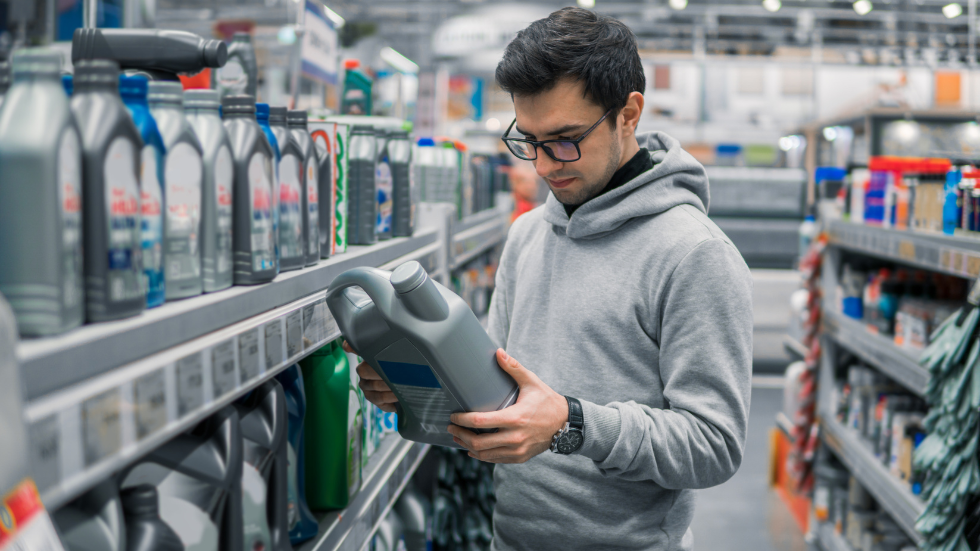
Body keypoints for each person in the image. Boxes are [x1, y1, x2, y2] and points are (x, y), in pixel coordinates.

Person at [346, 7, 753, 550]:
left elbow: (714, 444)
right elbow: (501, 404)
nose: (542, 166)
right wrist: (421, 393)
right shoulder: (527, 235)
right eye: (529, 141)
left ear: (628, 114)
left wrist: (573, 423)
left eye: (564, 139)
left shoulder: (694, 255)